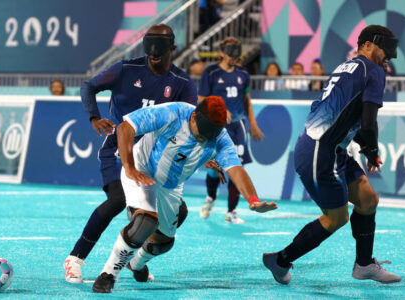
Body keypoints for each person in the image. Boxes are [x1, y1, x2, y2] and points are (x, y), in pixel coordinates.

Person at [92, 97, 277, 293]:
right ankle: (108, 274)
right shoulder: (174, 112)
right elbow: (125, 127)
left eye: (209, 136)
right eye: (202, 134)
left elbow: (235, 169)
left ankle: (136, 264)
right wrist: (129, 166)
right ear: (194, 116)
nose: (204, 140)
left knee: (163, 242)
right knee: (145, 222)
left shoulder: (220, 138)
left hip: (170, 187)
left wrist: (253, 200)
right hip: (141, 169)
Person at [263, 25, 401, 285]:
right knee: (336, 218)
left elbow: (345, 118)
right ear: (369, 44)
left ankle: (363, 265)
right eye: (386, 51)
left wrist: (366, 147)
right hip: (321, 150)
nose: (389, 58)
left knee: (368, 199)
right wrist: (371, 149)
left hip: (325, 147)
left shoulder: (346, 66)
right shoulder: (374, 71)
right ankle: (280, 260)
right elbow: (369, 122)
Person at [63, 24, 197, 284]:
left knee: (176, 213)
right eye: (150, 47)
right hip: (117, 150)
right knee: (117, 200)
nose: (153, 54)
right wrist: (94, 117)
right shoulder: (126, 69)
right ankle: (75, 258)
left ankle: (138, 262)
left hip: (153, 160)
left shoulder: (182, 83)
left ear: (173, 48)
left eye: (160, 48)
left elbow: (192, 122)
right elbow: (88, 86)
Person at [197, 37, 264, 224]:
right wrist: (217, 109)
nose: (235, 58)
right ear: (221, 53)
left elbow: (247, 99)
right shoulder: (210, 73)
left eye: (237, 55)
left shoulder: (243, 73)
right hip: (216, 126)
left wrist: (253, 123)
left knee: (237, 166)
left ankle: (232, 211)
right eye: (231, 55)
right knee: (214, 168)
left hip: (238, 125)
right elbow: (201, 99)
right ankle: (211, 198)